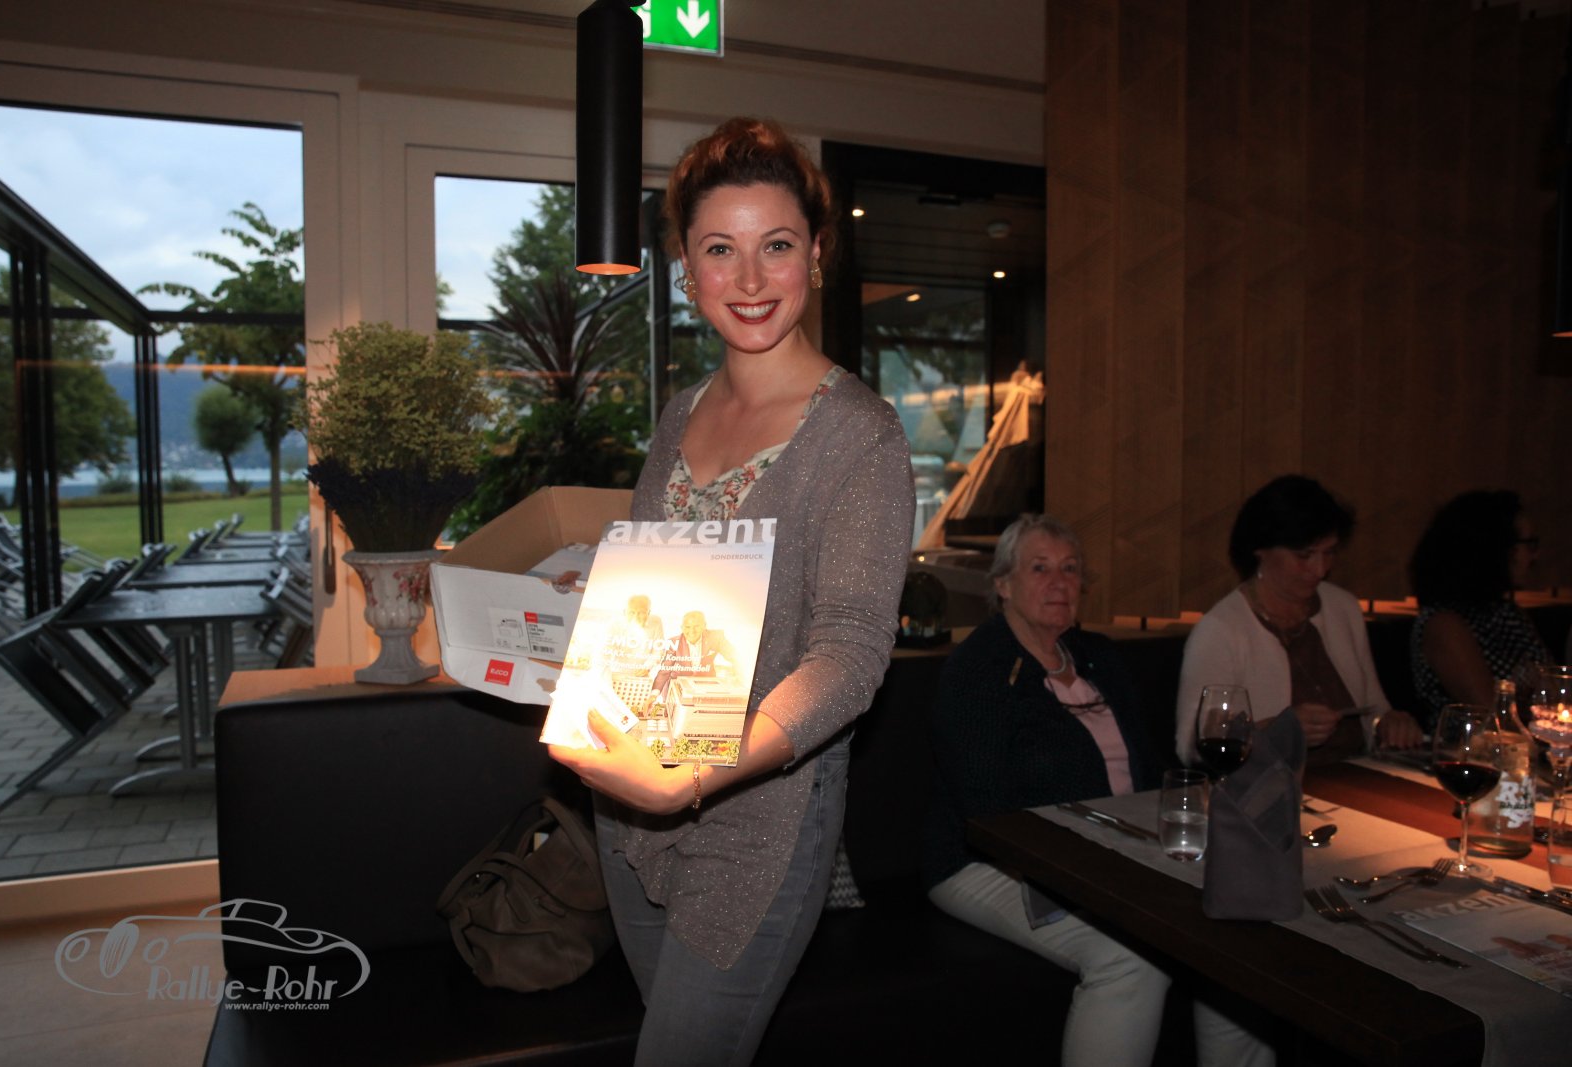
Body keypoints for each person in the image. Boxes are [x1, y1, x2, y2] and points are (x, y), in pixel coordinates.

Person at [547, 116, 915, 1067]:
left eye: (776, 245)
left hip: (761, 813)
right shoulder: (680, 416)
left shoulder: (862, 435)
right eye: (721, 249)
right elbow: (657, 597)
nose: (750, 279)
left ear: (817, 254)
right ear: (685, 266)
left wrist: (697, 777)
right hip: (629, 800)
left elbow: (849, 656)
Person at [924, 514, 1268, 1067]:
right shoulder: (979, 670)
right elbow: (986, 808)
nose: (1059, 582)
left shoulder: (1099, 657)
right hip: (988, 861)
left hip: (1114, 847)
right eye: (1040, 569)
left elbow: (1148, 770)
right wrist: (1100, 863)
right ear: (1003, 584)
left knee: (1235, 929)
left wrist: (1185, 821)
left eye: (1070, 569)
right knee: (1132, 959)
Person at [1175, 475, 1422, 767]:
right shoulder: (1222, 630)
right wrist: (1277, 731)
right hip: (1271, 786)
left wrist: (1390, 723)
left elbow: (1374, 708)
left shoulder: (1342, 607)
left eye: (1329, 553)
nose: (1320, 569)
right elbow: (1193, 746)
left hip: (1355, 774)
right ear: (1260, 550)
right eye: (1304, 556)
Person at [1408, 490, 1549, 727]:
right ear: (1496, 548)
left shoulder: (1508, 613)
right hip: (1471, 746)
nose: (1535, 556)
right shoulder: (1444, 624)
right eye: (1529, 544)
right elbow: (1493, 715)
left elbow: (1553, 693)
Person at [648, 609, 741, 709]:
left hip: (705, 687)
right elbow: (664, 671)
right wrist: (653, 695)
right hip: (677, 687)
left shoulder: (715, 637)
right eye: (687, 627)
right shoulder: (673, 642)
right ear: (682, 628)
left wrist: (738, 674)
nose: (692, 631)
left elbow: (735, 656)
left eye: (696, 626)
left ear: (704, 626)